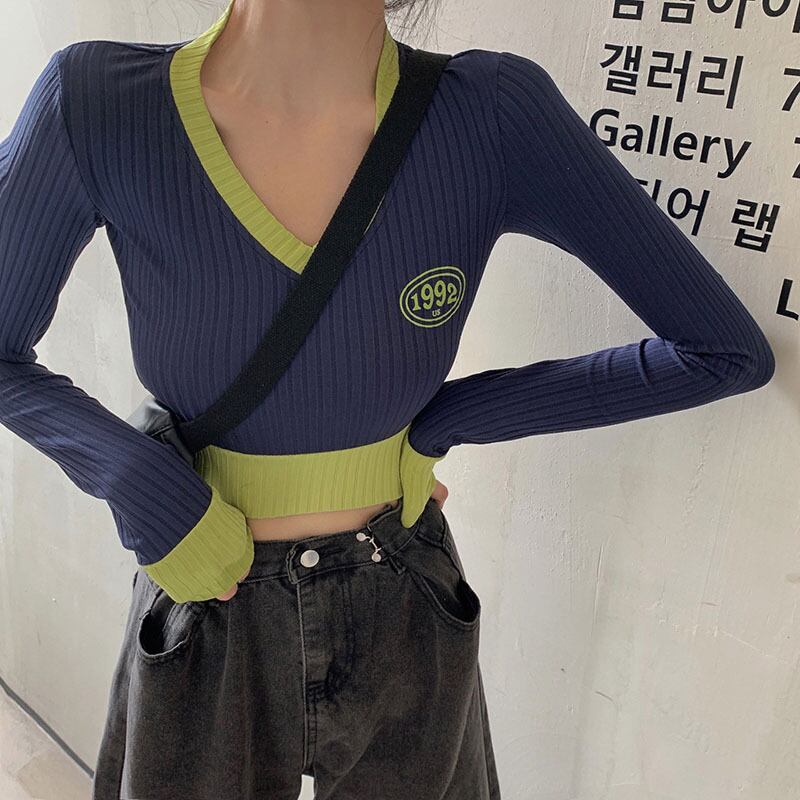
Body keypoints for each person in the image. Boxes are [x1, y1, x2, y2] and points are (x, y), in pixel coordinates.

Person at [0, 0, 774, 796]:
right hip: (208, 587)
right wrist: (135, 480)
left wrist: (452, 418)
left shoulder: (490, 114)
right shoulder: (98, 103)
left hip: (399, 585)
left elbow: (722, 352)